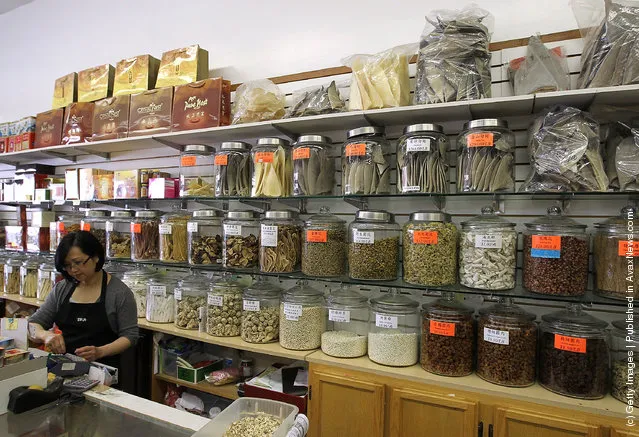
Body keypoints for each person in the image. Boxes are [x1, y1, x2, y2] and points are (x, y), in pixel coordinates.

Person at [29, 231, 138, 371]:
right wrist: (45, 335)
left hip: (102, 372)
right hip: (63, 367)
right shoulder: (62, 289)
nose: (73, 270)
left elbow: (130, 336)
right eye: (67, 265)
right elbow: (33, 324)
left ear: (96, 257)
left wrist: (100, 351)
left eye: (78, 263)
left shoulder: (119, 292)